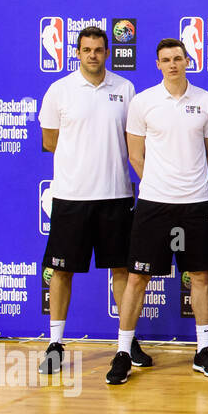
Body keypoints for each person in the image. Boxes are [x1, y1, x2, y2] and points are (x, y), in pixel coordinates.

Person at [108, 38, 208, 385]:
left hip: (196, 203)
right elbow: (135, 156)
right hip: (154, 204)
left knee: (200, 276)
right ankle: (124, 351)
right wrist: (162, 184)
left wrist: (189, 183)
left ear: (188, 61)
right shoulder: (144, 102)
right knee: (137, 277)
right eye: (166, 60)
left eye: (178, 58)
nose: (173, 64)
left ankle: (203, 351)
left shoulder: (206, 101)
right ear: (157, 64)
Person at [37, 26, 136, 374]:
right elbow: (50, 141)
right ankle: (55, 343)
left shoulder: (124, 89)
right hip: (71, 196)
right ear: (77, 53)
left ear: (107, 53)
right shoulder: (59, 90)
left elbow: (132, 139)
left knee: (121, 270)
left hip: (116, 195)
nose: (93, 55)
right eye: (86, 49)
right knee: (62, 270)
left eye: (98, 49)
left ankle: (126, 343)